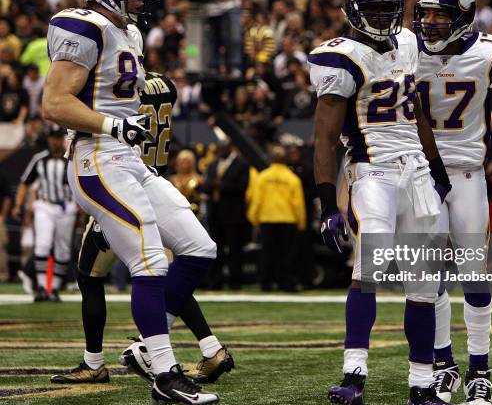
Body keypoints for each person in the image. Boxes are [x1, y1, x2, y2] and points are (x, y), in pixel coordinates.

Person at [41, 0, 219, 405]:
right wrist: (111, 124)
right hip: (96, 156)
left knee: (200, 248)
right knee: (149, 261)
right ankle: (166, 373)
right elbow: (55, 103)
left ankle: (146, 345)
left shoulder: (131, 32)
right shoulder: (82, 26)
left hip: (130, 158)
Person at [310, 0, 458, 405]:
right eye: (372, 8)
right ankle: (353, 376)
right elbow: (323, 137)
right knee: (368, 271)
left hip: (414, 171)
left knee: (424, 285)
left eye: (388, 8)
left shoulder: (410, 43)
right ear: (353, 10)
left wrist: (435, 168)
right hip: (370, 171)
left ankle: (421, 386)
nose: (381, 16)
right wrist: (324, 204)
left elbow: (418, 113)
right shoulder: (340, 57)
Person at [50, 73, 234, 386]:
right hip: (148, 178)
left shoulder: (116, 89)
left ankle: (100, 361)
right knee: (161, 273)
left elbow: (94, 115)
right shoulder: (165, 87)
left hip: (122, 180)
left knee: (96, 276)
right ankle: (210, 346)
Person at [413, 0, 492, 405]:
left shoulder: (487, 53)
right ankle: (444, 364)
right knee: (428, 276)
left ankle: (479, 369)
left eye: (439, 14)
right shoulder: (406, 49)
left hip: (467, 174)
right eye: (425, 12)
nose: (428, 22)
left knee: (473, 273)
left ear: (462, 18)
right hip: (422, 173)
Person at [12, 125, 77, 301]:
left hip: (67, 206)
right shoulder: (39, 159)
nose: (55, 141)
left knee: (63, 250)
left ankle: (54, 289)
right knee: (43, 244)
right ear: (48, 139)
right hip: (45, 205)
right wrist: (18, 205)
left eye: (58, 137)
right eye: (52, 137)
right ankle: (42, 287)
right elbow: (25, 182)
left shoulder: (71, 159)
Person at [247, 144, 305, 292]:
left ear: (271, 158)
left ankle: (266, 283)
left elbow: (256, 200)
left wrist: (254, 219)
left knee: (267, 253)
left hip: (267, 219)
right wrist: (301, 223)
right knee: (287, 254)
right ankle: (285, 283)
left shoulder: (263, 177)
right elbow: (298, 203)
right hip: (288, 220)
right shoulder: (292, 179)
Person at [203, 140, 250, 289]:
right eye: (219, 148)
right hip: (215, 214)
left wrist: (220, 185)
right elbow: (206, 186)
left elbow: (242, 187)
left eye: (223, 148)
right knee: (216, 249)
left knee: (235, 250)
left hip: (233, 214)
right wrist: (210, 186)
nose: (220, 151)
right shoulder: (212, 165)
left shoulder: (241, 164)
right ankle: (216, 281)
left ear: (230, 148)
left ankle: (235, 281)